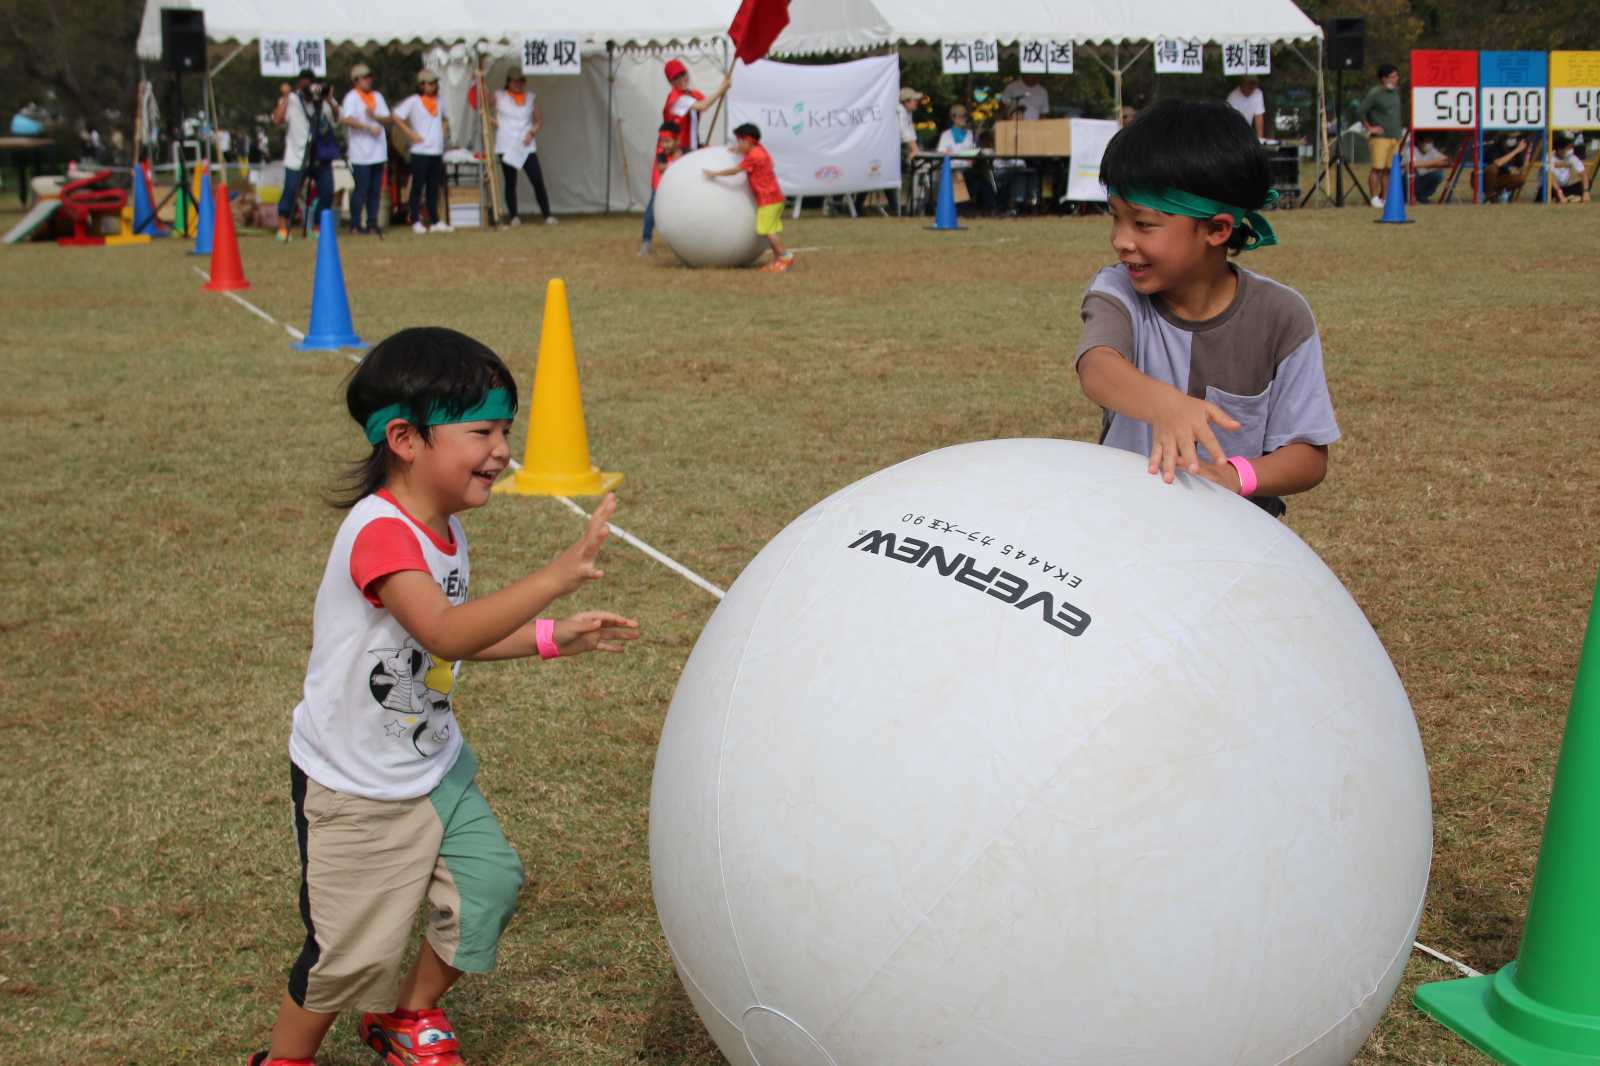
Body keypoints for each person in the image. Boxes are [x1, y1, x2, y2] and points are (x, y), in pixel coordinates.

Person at [244, 326, 639, 1066]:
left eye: (505, 431)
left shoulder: (445, 527)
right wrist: (556, 575)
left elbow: (445, 640)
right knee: (348, 956)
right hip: (356, 784)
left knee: (488, 885)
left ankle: (410, 1016)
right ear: (405, 438)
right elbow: (448, 633)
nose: (501, 450)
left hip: (432, 766)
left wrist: (552, 636)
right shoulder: (381, 535)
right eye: (483, 431)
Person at [1074, 99, 1339, 520]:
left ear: (1216, 229)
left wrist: (1237, 477)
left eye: (1142, 224)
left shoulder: (1282, 317)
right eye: (1116, 218)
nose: (1121, 240)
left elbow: (1308, 455)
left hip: (1232, 541)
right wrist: (1164, 404)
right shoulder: (1118, 289)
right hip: (1125, 524)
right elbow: (1097, 367)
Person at [702, 123, 792, 273]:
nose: (737, 144)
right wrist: (738, 150)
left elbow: (735, 170)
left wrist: (714, 174)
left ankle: (784, 256)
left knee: (767, 231)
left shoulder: (755, 155)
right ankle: (778, 261)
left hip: (768, 199)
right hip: (774, 197)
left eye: (739, 141)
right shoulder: (760, 149)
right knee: (769, 230)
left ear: (748, 141)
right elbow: (770, 162)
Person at [272, 69, 339, 241]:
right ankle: (283, 227)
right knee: (291, 190)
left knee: (327, 191)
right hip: (296, 156)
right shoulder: (293, 101)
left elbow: (337, 118)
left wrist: (329, 98)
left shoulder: (322, 101)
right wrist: (286, 97)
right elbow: (277, 120)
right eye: (305, 85)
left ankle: (317, 227)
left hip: (319, 156)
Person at [493, 71, 556, 226]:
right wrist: (493, 121)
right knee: (510, 181)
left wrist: (532, 132)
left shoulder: (529, 98)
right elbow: (482, 105)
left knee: (537, 179)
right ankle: (514, 215)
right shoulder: (499, 96)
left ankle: (547, 214)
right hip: (507, 144)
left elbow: (538, 120)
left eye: (521, 81)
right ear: (508, 82)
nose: (518, 84)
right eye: (515, 81)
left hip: (526, 145)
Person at [393, 70, 450, 234]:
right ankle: (415, 219)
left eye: (433, 84)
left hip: (436, 150)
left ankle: (434, 220)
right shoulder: (413, 101)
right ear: (421, 85)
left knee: (433, 186)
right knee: (418, 186)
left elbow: (445, 118)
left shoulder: (440, 101)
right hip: (420, 150)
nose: (431, 87)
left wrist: (444, 129)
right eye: (428, 84)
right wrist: (409, 133)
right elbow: (396, 116)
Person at [340, 63, 393, 235]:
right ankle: (355, 224)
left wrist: (374, 117)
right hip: (360, 153)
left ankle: (372, 223)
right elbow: (347, 119)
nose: (368, 81)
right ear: (356, 81)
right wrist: (367, 127)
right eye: (364, 78)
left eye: (369, 77)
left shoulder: (377, 96)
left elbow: (387, 118)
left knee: (375, 191)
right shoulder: (352, 97)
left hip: (378, 152)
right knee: (361, 189)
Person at [1355, 65, 1403, 209]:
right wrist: (1370, 127)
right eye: (1393, 76)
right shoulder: (1375, 93)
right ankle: (1374, 197)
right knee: (1377, 168)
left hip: (1395, 137)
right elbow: (1360, 110)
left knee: (1389, 169)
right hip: (1380, 138)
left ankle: (1384, 197)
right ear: (1384, 79)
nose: (1396, 79)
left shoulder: (1396, 92)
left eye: (1396, 76)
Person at [662, 58, 731, 154]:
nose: (682, 79)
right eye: (676, 77)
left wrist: (723, 86)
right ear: (670, 82)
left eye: (683, 74)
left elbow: (707, 102)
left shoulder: (691, 94)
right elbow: (703, 105)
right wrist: (722, 88)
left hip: (690, 148)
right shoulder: (676, 98)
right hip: (677, 151)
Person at [936, 104, 993, 215]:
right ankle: (963, 208)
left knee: (983, 180)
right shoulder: (946, 135)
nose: (963, 119)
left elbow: (972, 150)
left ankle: (988, 209)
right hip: (953, 169)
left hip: (968, 168)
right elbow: (941, 152)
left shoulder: (969, 134)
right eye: (960, 116)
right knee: (964, 177)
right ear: (953, 118)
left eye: (965, 116)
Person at [638, 121, 682, 256]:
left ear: (677, 140)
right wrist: (677, 163)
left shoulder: (684, 152)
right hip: (660, 187)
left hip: (678, 189)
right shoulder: (661, 153)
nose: (664, 145)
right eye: (662, 141)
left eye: (667, 141)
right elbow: (661, 167)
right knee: (651, 213)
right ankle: (646, 242)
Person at [1482, 131, 1532, 202]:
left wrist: (1528, 153)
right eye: (1511, 138)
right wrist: (1516, 150)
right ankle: (1490, 195)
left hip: (1501, 179)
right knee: (1492, 169)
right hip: (1485, 179)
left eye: (1515, 138)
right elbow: (1497, 163)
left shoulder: (1515, 150)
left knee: (1521, 179)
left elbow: (1522, 169)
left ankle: (1501, 193)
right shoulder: (1494, 147)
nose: (1513, 140)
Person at [1408, 133, 1451, 203]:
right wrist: (1435, 163)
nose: (1429, 145)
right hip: (1410, 180)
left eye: (1430, 142)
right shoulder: (1410, 150)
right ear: (1419, 142)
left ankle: (1422, 196)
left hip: (1423, 178)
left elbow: (1447, 161)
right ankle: (1410, 195)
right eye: (1427, 142)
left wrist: (1426, 165)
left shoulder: (1432, 151)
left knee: (1439, 174)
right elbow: (1413, 164)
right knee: (1414, 174)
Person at [1550, 135, 1590, 203]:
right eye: (1568, 148)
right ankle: (1564, 197)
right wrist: (1560, 193)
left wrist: (1586, 191)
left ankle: (1567, 197)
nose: (1570, 150)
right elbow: (1550, 177)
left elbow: (1583, 174)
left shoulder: (1572, 157)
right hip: (1552, 187)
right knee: (1545, 191)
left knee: (1588, 182)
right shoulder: (1549, 157)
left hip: (1565, 187)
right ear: (1559, 149)